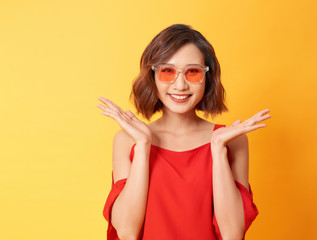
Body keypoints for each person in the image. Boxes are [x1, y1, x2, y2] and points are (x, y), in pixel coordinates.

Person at [97, 23, 271, 240]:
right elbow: (126, 231)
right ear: (153, 75)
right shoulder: (128, 140)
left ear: (207, 77)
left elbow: (232, 234)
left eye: (193, 72)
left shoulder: (231, 141)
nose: (180, 85)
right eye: (167, 71)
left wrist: (217, 149)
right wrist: (143, 146)